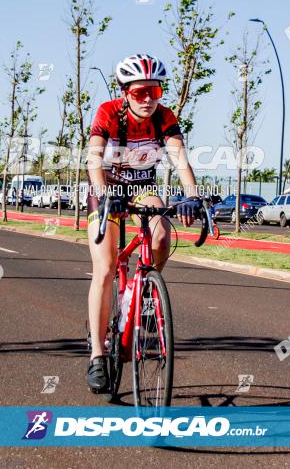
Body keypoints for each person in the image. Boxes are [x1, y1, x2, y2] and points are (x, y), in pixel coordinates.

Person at [84, 53, 202, 394]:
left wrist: (192, 195)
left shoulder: (164, 116)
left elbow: (179, 157)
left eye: (155, 91)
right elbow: (94, 159)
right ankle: (96, 355)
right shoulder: (108, 112)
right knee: (105, 267)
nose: (149, 99)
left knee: (163, 234)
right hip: (105, 189)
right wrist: (105, 194)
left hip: (141, 188)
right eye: (140, 93)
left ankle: (147, 286)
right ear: (125, 92)